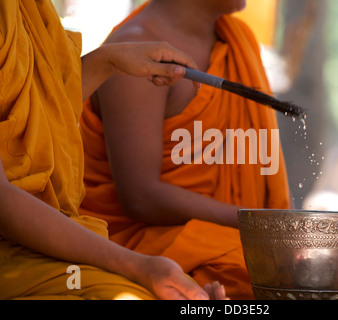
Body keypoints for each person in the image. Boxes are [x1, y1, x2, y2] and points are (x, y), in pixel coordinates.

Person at [0, 0, 227, 300]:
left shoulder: (26, 7)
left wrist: (107, 62)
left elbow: (33, 118)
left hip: (48, 236)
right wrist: (137, 266)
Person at [80, 0, 291, 299]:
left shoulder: (237, 39)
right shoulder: (136, 51)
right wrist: (260, 222)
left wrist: (281, 227)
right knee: (272, 276)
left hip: (227, 233)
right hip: (141, 245)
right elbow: (140, 199)